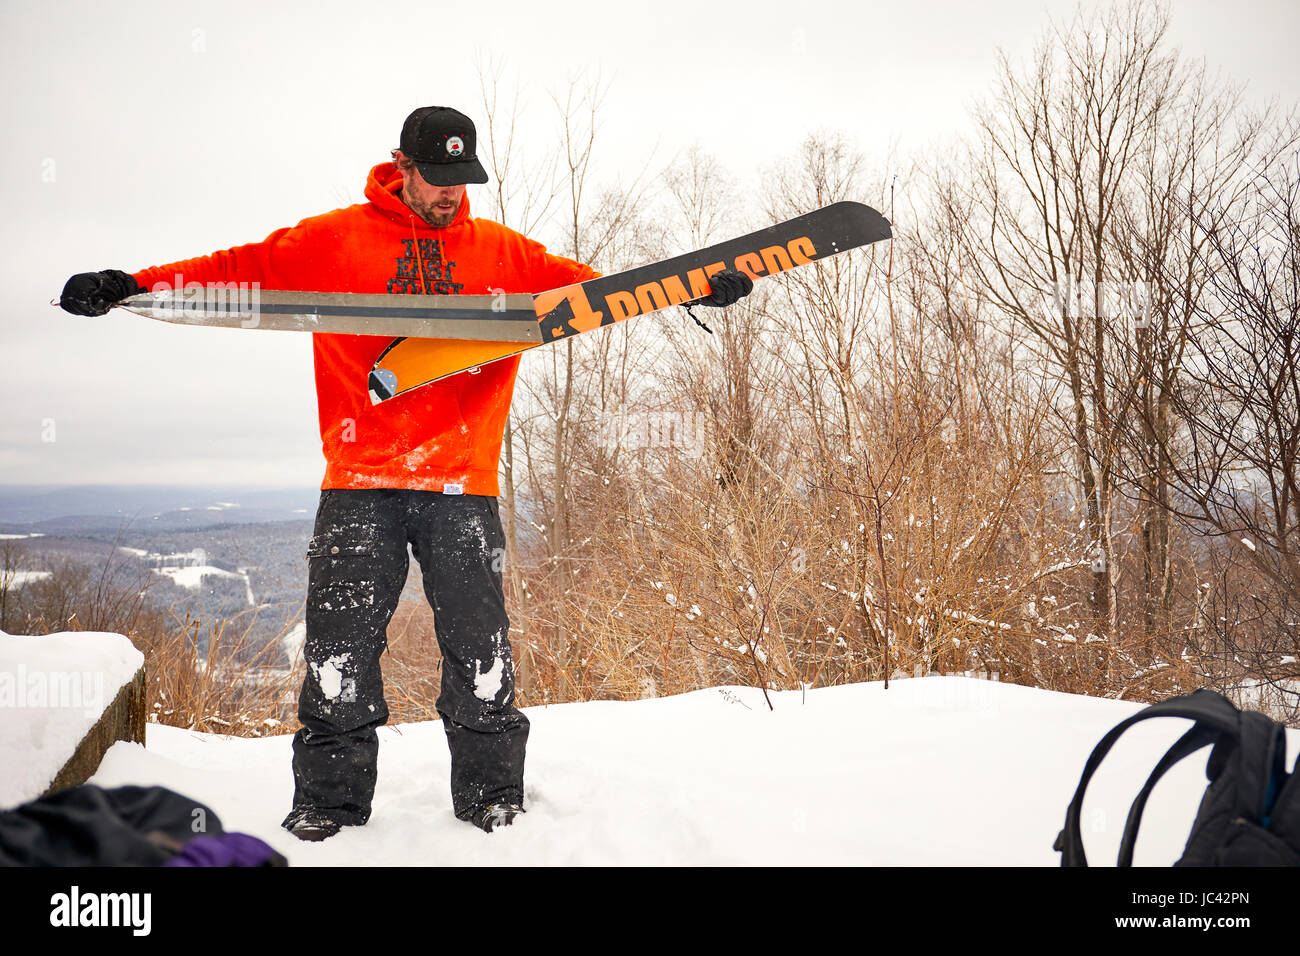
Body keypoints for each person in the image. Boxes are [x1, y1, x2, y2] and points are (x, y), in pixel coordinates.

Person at [59, 106, 754, 840]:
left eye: (464, 180)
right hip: (361, 481)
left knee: (481, 652)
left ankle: (491, 798)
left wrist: (691, 287)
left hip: (463, 484)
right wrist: (134, 282)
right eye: (438, 178)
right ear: (402, 165)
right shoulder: (335, 239)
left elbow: (596, 293)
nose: (452, 194)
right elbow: (240, 269)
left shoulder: (502, 252)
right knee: (338, 652)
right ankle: (329, 805)